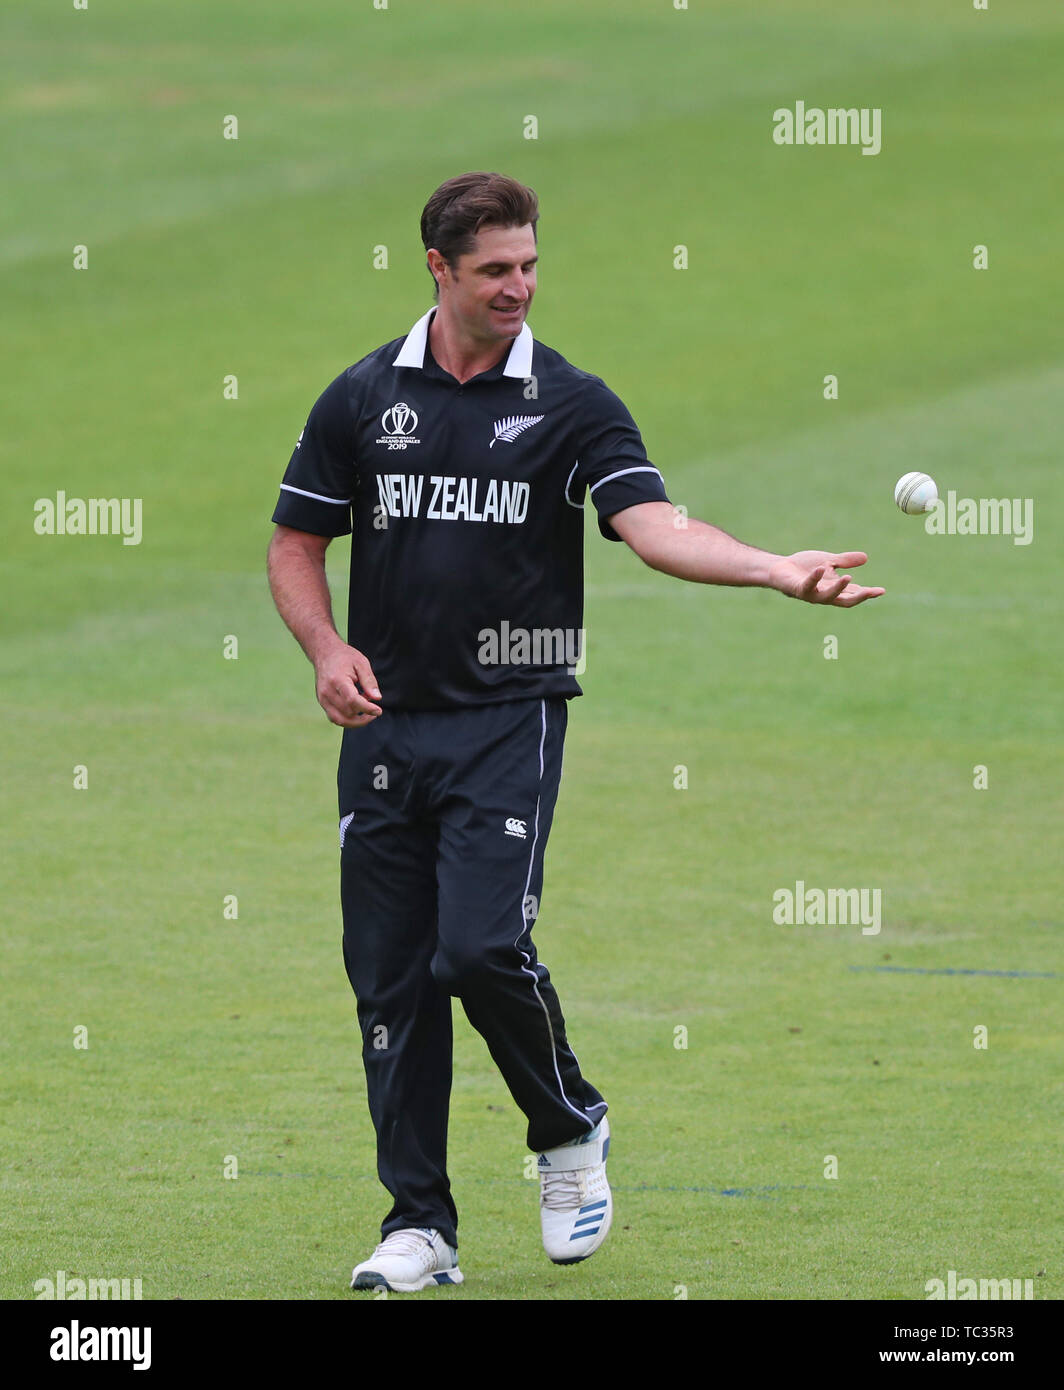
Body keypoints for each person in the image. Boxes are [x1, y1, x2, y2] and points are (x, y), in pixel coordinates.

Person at [266, 171, 884, 1294]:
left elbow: (653, 527)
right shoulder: (361, 398)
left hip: (509, 714)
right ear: (438, 270)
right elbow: (296, 540)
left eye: (530, 264)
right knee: (390, 979)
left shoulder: (569, 401)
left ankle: (567, 1125)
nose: (519, 287)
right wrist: (323, 649)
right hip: (387, 727)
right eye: (495, 269)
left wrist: (773, 570)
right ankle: (419, 1227)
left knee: (477, 948)